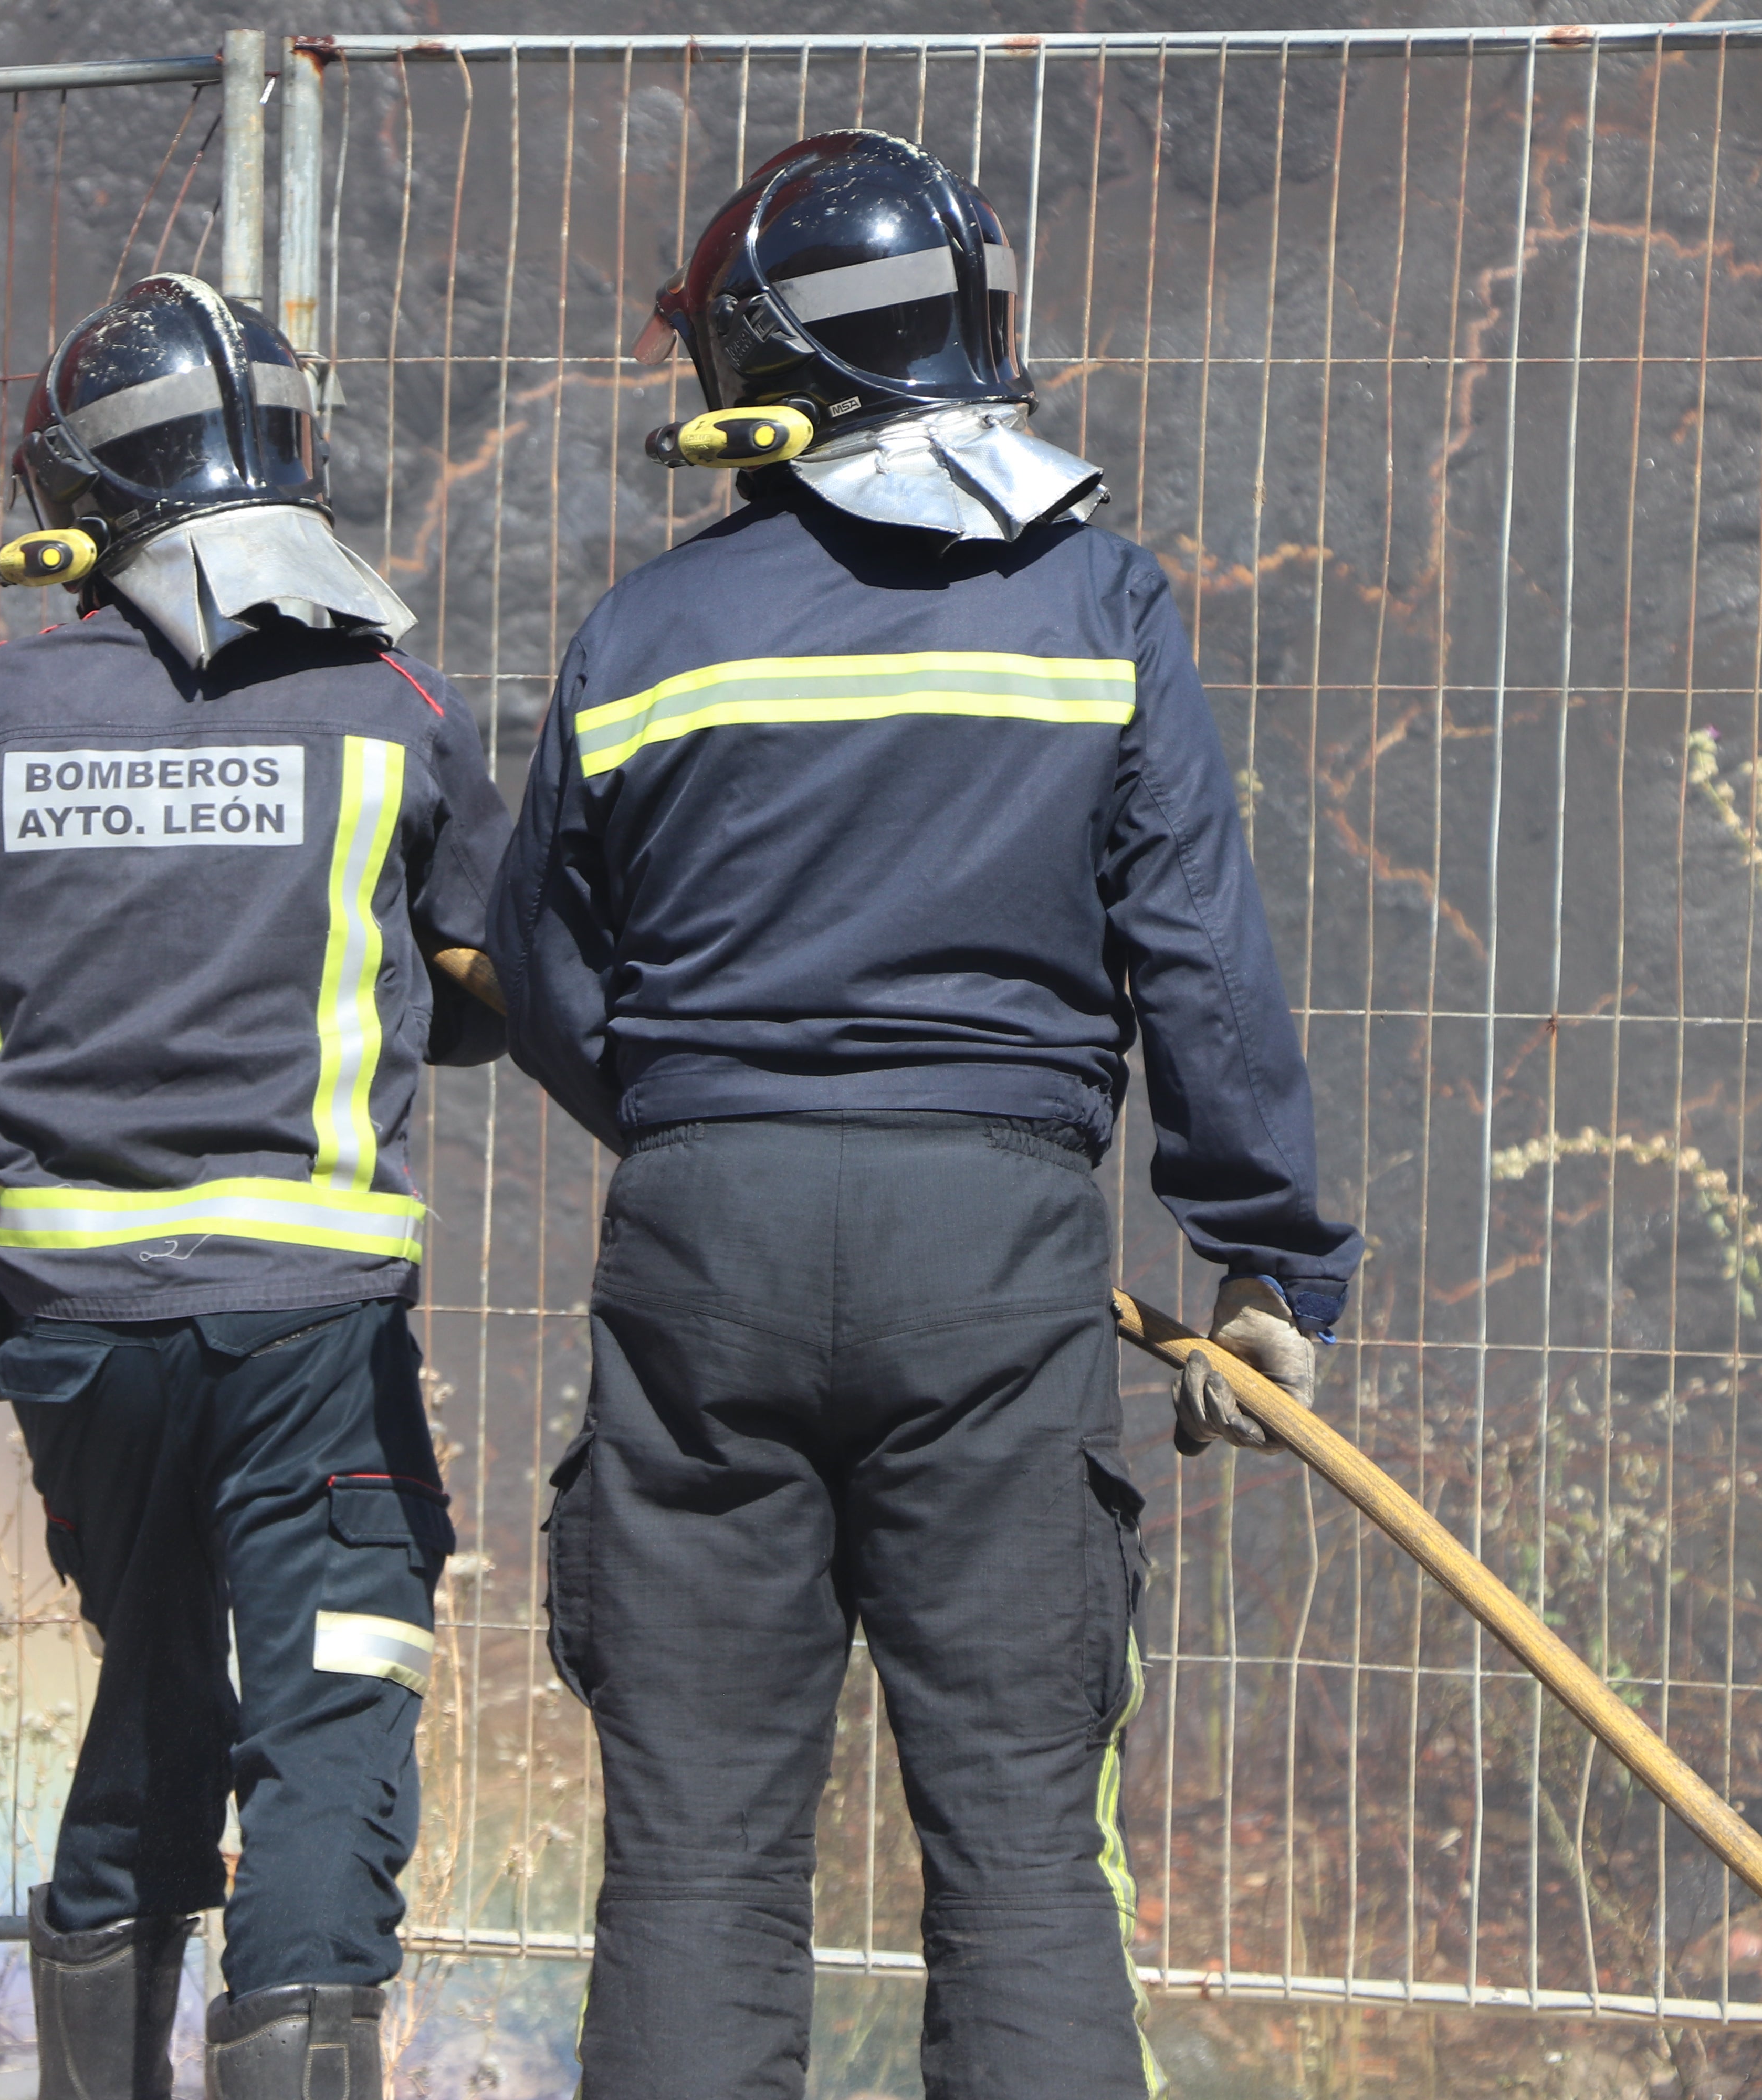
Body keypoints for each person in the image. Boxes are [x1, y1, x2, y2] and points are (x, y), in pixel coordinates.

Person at [489, 132, 1362, 2100]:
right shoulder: (1099, 608)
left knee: (699, 1862)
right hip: (994, 1267)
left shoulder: (642, 641)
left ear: (768, 368)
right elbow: (1201, 960)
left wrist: (709, 1126)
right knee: (1020, 1848)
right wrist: (1267, 1264)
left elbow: (544, 965)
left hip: (702, 1252)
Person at [0, 272, 512, 2100]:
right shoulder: (391, 709)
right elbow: (493, 985)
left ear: (82, 491)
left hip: (77, 1338)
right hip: (312, 1341)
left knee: (157, 1690)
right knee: (331, 1719)